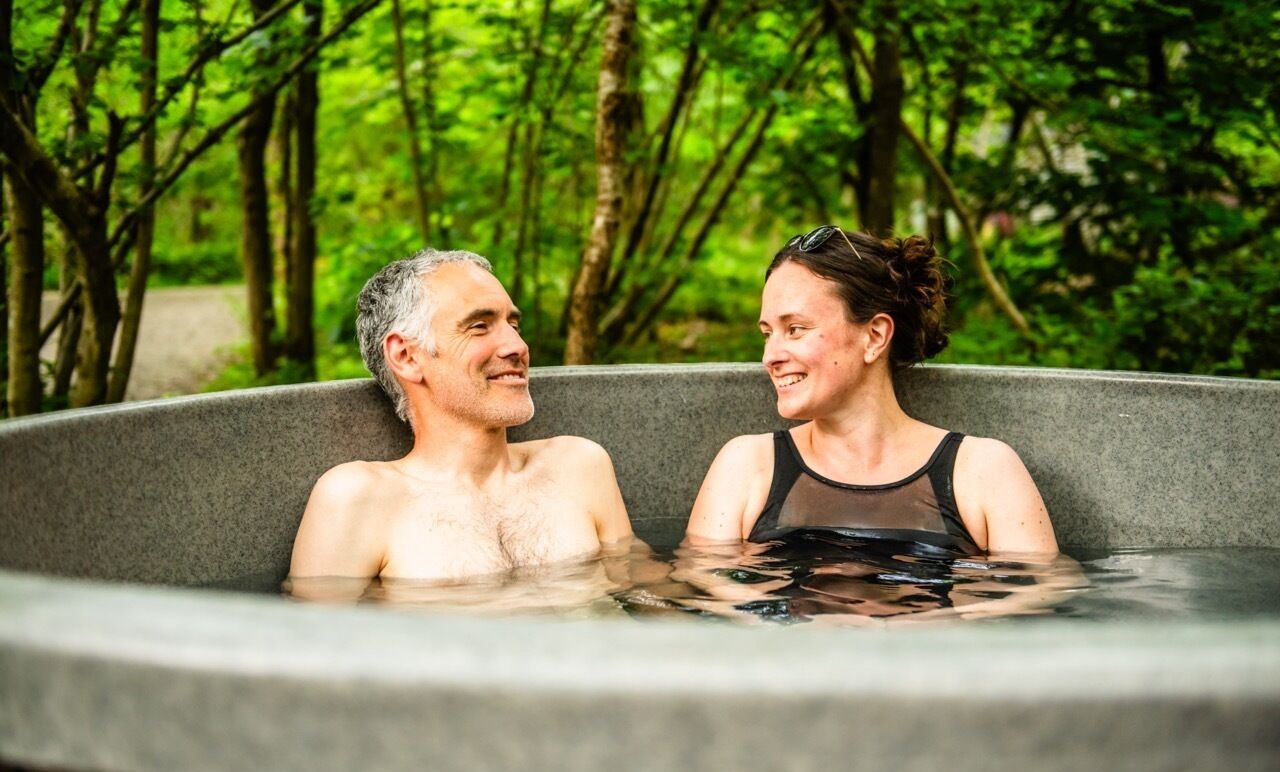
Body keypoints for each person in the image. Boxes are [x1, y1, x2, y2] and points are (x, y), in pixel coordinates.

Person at [687, 226, 1058, 556]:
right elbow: (704, 600)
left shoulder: (983, 471)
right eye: (767, 333)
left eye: (795, 329)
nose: (770, 356)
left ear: (875, 336)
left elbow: (1034, 607)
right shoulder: (747, 466)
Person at [289, 249, 633, 583]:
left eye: (513, 325)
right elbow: (315, 638)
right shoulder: (359, 499)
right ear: (407, 356)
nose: (517, 346)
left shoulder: (578, 467)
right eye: (480, 326)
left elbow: (646, 595)